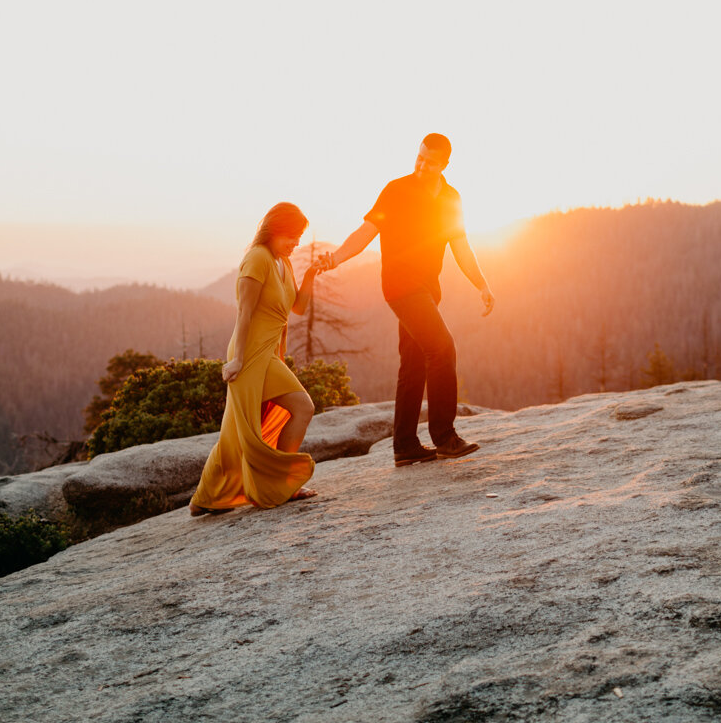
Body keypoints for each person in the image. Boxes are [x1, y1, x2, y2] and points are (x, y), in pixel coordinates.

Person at [323, 133, 495, 467]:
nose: (421, 164)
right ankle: (445, 438)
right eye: (419, 156)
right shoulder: (396, 190)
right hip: (401, 287)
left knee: (414, 362)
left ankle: (404, 445)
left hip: (429, 290)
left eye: (429, 161)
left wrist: (482, 284)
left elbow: (461, 247)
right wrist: (336, 258)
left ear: (444, 164)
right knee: (442, 348)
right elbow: (366, 232)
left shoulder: (450, 197)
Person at [189, 202, 324, 516]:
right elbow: (244, 312)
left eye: (300, 237)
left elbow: (298, 308)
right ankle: (281, 483)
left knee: (238, 430)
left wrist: (312, 274)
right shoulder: (257, 258)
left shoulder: (282, 262)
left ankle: (205, 498)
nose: (297, 243)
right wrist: (237, 360)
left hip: (268, 353)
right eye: (293, 236)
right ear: (275, 230)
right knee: (300, 407)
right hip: (250, 354)